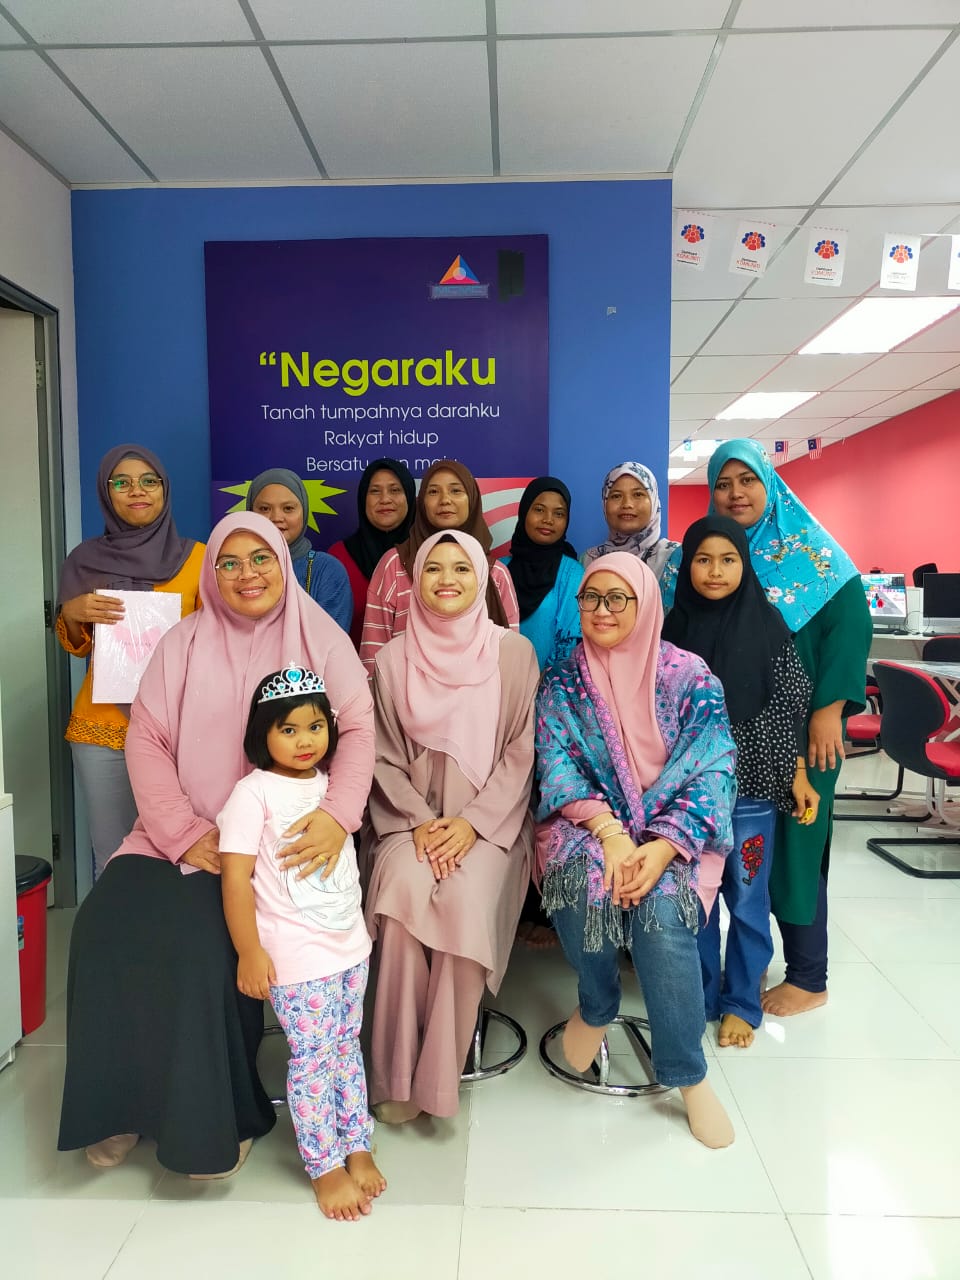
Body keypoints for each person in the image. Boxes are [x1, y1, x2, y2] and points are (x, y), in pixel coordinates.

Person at [58, 513, 375, 1178]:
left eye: (260, 559)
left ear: (283, 563)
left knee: (204, 944)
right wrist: (184, 832)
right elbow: (146, 740)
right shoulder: (182, 641)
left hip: (277, 849)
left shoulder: (321, 639)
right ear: (212, 573)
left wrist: (338, 814)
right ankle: (117, 1105)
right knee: (101, 927)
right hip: (180, 836)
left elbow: (358, 729)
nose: (245, 574)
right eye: (229, 562)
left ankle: (217, 1117)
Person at [535, 553, 736, 1147]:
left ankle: (688, 1075)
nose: (601, 610)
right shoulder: (563, 680)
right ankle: (596, 1004)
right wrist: (611, 833)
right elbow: (556, 766)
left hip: (675, 833)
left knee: (661, 914)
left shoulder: (689, 676)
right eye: (590, 598)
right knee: (584, 889)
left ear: (645, 604)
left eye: (617, 598)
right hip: (589, 827)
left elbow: (715, 768)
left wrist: (664, 846)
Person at [365, 531, 539, 1122]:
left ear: (483, 579)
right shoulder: (392, 660)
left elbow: (522, 752)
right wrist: (419, 822)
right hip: (408, 820)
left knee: (464, 903)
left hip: (491, 823)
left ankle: (437, 1078)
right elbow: (381, 756)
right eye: (433, 568)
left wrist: (472, 824)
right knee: (400, 896)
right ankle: (393, 1074)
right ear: (415, 581)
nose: (447, 579)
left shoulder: (514, 653)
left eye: (461, 568)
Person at [698, 439, 871, 1018]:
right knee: (733, 857)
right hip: (729, 743)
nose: (735, 493)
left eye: (747, 480)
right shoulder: (714, 556)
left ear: (770, 484)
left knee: (798, 847)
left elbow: (851, 628)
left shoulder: (817, 558)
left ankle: (808, 975)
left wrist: (829, 711)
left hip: (805, 734)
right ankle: (728, 968)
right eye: (723, 483)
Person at [219, 666, 385, 1221]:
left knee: (347, 1046)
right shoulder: (252, 794)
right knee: (313, 1060)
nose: (304, 740)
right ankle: (324, 1164)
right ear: (261, 733)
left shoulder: (331, 786)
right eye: (287, 730)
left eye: (314, 727)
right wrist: (250, 951)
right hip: (296, 957)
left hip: (349, 947)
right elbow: (235, 878)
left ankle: (355, 1141)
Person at [662, 515, 818, 1048]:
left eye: (728, 560)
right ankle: (701, 996)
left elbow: (793, 705)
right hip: (690, 796)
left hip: (752, 790)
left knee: (748, 901)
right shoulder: (673, 629)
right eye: (703, 560)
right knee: (696, 899)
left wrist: (799, 774)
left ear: (744, 565)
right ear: (687, 566)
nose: (715, 571)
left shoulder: (768, 624)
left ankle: (742, 1002)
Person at [56, 444, 204, 878]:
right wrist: (71, 614)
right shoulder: (84, 560)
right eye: (122, 483)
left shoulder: (200, 558)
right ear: (107, 493)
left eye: (148, 481)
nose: (137, 491)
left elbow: (221, 641)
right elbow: (77, 647)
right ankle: (116, 926)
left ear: (164, 489)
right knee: (114, 856)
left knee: (184, 853)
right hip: (103, 728)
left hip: (180, 730)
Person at [359, 460, 520, 675]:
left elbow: (511, 659)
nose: (445, 500)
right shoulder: (394, 565)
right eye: (433, 491)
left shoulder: (495, 574)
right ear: (422, 502)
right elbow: (373, 656)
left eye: (456, 491)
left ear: (472, 499)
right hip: (404, 693)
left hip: (483, 693)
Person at [246, 468, 352, 632]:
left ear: (304, 512)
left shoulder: (326, 570)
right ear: (250, 513)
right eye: (265, 509)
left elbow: (330, 642)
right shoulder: (237, 569)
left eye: (288, 508)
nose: (276, 518)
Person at [327, 458, 416, 648]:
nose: (385, 499)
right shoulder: (338, 557)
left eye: (395, 490)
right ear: (362, 499)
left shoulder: (429, 555)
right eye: (375, 491)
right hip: (351, 664)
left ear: (409, 496)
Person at [502, 476, 583, 671]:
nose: (548, 520)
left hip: (551, 684)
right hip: (500, 681)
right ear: (524, 512)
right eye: (539, 510)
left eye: (559, 513)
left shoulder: (572, 573)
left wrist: (544, 684)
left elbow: (569, 645)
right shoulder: (500, 570)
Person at [582, 462, 679, 579]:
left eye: (638, 494)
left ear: (653, 501)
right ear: (604, 503)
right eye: (616, 496)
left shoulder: (678, 558)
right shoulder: (587, 561)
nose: (627, 504)